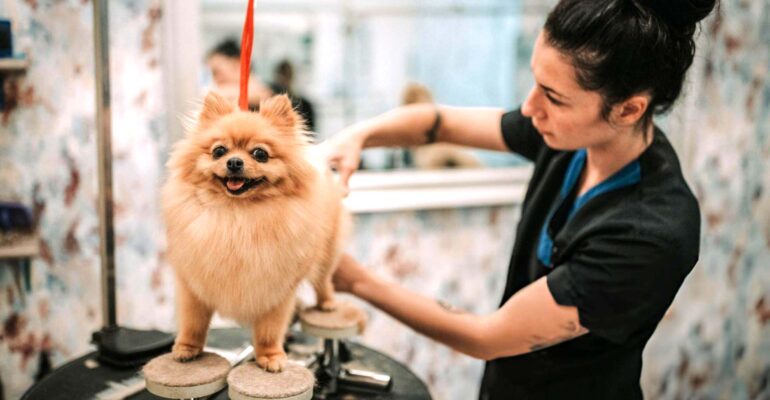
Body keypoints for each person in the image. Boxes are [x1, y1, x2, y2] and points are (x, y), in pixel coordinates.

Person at [325, 0, 715, 398]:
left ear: (629, 109)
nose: (530, 108)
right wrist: (359, 136)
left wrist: (355, 280)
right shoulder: (570, 137)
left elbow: (486, 337)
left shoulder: (651, 236)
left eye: (553, 96)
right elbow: (437, 124)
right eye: (535, 82)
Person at [206, 38, 272, 110]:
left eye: (216, 72)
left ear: (237, 64)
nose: (216, 79)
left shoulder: (266, 92)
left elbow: (262, 95)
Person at [269, 60, 316, 132]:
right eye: (283, 75)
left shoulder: (305, 104)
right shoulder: (269, 101)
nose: (284, 80)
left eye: (286, 75)